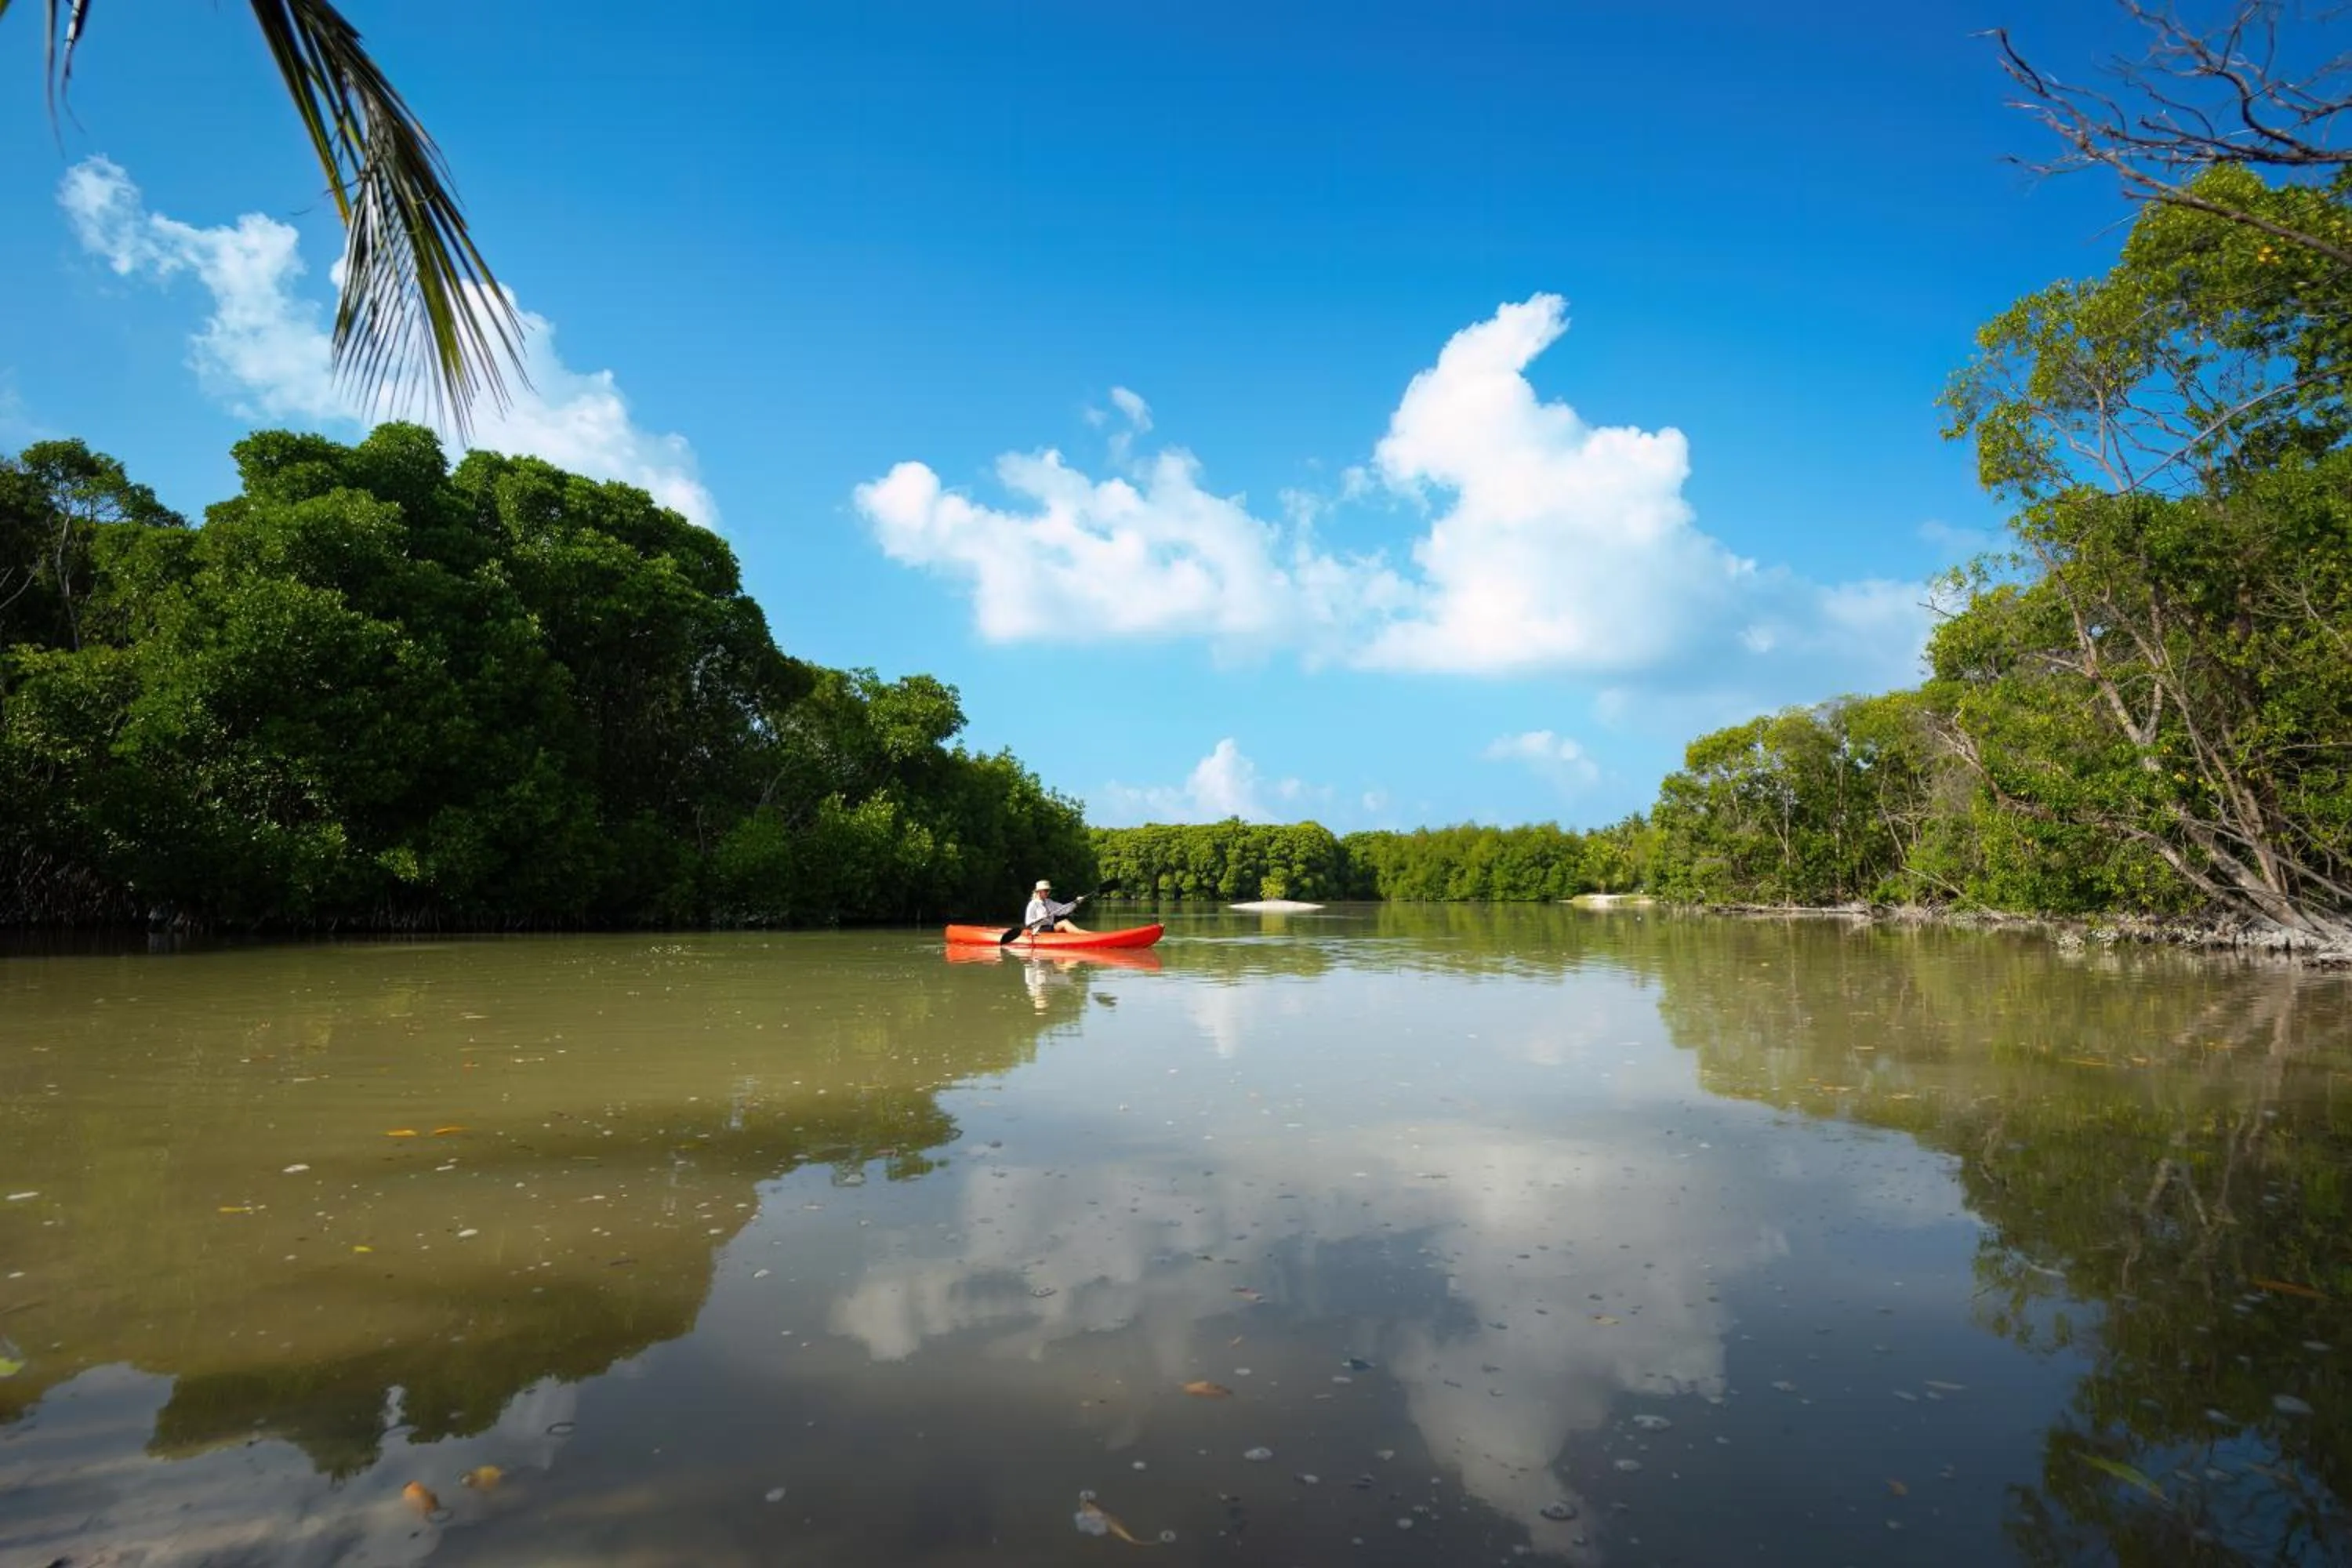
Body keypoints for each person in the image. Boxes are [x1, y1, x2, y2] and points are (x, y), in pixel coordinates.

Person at [1022, 879, 1087, 935]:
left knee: (1065, 925)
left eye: (1049, 891)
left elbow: (1064, 909)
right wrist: (1042, 918)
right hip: (1038, 930)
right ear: (1039, 892)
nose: (1048, 893)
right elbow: (1028, 922)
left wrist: (1076, 902)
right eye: (1046, 891)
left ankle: (1086, 934)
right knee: (1064, 923)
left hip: (1050, 928)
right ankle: (1085, 935)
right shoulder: (1033, 904)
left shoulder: (1050, 902)